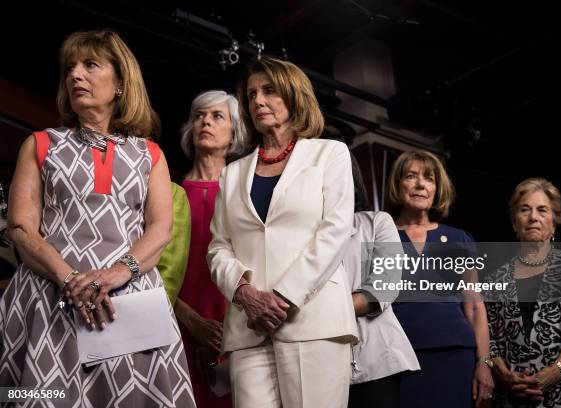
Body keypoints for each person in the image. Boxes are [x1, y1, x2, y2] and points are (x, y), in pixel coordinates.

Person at [0, 29, 195, 406]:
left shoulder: (149, 153)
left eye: (90, 65)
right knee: (42, 395)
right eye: (69, 68)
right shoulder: (40, 143)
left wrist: (117, 274)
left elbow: (160, 229)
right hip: (49, 298)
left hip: (129, 301)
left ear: (120, 82)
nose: (75, 75)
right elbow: (21, 227)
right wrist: (68, 278)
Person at [207, 56, 357, 408]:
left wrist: (282, 298)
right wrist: (245, 294)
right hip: (248, 328)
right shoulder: (232, 173)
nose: (258, 100)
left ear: (294, 95)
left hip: (313, 321)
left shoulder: (329, 154)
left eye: (269, 91)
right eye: (252, 94)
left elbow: (335, 231)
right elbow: (218, 247)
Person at [485, 178, 561, 407]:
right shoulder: (495, 279)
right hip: (516, 398)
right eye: (525, 210)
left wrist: (555, 371)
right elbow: (489, 342)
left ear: (554, 222)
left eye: (542, 210)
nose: (533, 217)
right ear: (515, 223)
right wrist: (507, 378)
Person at [385, 150, 494, 407]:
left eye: (429, 178)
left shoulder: (460, 238)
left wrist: (484, 363)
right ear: (398, 184)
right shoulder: (380, 235)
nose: (421, 184)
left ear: (437, 188)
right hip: (396, 359)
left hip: (456, 357)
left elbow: (475, 307)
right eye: (412, 176)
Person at [174, 90, 246, 407]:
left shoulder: (245, 193)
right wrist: (192, 323)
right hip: (176, 324)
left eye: (217, 116)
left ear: (234, 133)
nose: (206, 121)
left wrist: (226, 332)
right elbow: (152, 272)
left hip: (237, 326)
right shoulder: (168, 193)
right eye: (200, 115)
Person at [342, 154, 420, 408]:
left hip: (377, 365)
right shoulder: (299, 234)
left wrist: (319, 309)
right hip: (318, 363)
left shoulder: (377, 222)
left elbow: (383, 288)